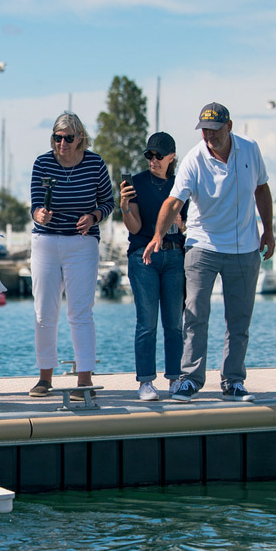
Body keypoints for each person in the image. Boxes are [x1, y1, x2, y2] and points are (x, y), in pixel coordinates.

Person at [144, 103, 273, 403]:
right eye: (204, 130)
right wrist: (158, 236)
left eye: (215, 130)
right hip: (203, 245)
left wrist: (268, 230)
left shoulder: (250, 149)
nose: (209, 136)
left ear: (229, 126)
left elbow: (262, 189)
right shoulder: (193, 159)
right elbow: (174, 202)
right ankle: (190, 380)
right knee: (195, 316)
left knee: (239, 320)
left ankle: (233, 382)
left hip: (244, 247)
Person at [28, 112, 114, 399]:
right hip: (46, 242)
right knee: (44, 313)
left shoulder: (95, 163)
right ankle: (44, 378)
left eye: (68, 138)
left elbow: (108, 202)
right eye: (57, 137)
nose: (62, 143)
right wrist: (38, 214)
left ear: (80, 138)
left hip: (82, 243)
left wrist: (94, 216)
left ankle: (84, 379)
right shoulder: (42, 162)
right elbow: (35, 205)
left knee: (80, 313)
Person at [119, 132, 185, 401]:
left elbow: (189, 225)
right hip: (142, 256)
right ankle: (145, 382)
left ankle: (175, 379)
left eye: (159, 156)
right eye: (149, 155)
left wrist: (181, 225)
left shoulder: (183, 184)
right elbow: (134, 227)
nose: (153, 160)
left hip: (174, 256)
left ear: (172, 157)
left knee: (174, 323)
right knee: (146, 323)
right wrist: (124, 206)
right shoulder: (136, 183)